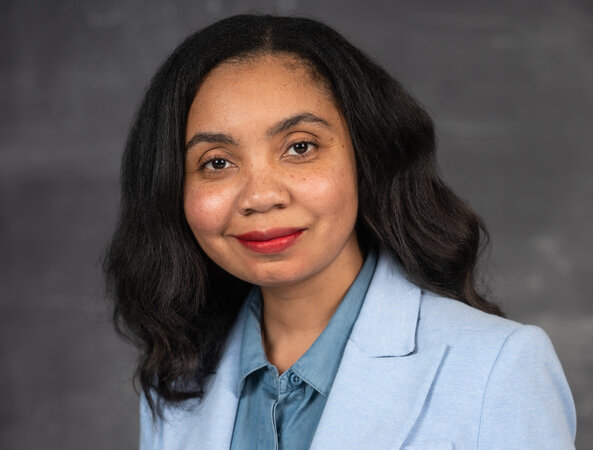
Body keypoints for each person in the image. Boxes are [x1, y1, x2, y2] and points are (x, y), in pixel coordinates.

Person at [103, 14, 576, 449]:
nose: (261, 196)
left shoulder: (498, 367)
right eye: (217, 162)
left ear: (365, 156)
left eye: (300, 147)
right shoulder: (175, 382)